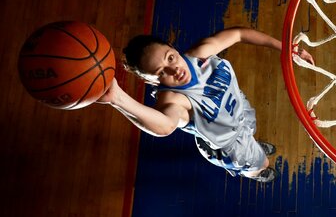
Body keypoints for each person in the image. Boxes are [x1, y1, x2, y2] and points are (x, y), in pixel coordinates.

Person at [98, 27, 314, 183]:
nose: (174, 70)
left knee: (251, 129)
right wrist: (118, 99)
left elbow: (239, 34)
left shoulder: (200, 53)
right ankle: (256, 173)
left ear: (172, 47)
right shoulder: (173, 100)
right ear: (151, 81)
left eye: (170, 58)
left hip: (239, 111)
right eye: (161, 72)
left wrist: (287, 49)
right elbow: (165, 125)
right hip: (229, 146)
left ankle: (253, 145)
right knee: (261, 163)